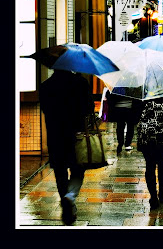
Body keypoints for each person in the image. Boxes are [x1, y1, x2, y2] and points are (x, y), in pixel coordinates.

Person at [39, 69, 93, 225]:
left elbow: (45, 109)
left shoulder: (46, 86)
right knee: (78, 168)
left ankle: (65, 198)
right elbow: (88, 109)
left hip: (55, 136)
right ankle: (70, 196)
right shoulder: (80, 83)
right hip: (76, 135)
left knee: (60, 170)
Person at [136, 96, 163, 209]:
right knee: (162, 162)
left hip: (146, 136)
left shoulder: (142, 92)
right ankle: (162, 190)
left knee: (150, 165)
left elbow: (135, 114)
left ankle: (153, 197)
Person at [106, 88, 141, 154]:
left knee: (121, 127)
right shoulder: (133, 86)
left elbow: (109, 96)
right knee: (129, 127)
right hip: (129, 108)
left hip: (120, 109)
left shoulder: (117, 86)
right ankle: (127, 143)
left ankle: (121, 143)